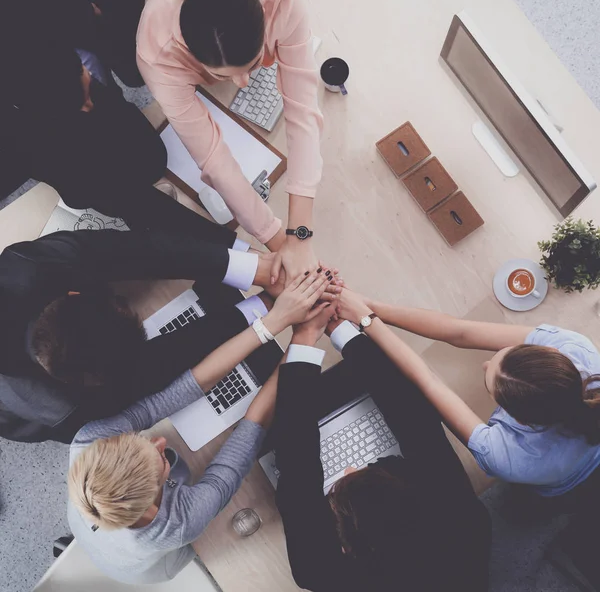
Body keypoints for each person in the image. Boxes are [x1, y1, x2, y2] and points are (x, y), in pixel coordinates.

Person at [67, 272, 333, 584]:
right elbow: (240, 448)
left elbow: (174, 394)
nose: (160, 441)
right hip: (149, 568)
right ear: (155, 503)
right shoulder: (177, 525)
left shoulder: (88, 441)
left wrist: (273, 321)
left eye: (141, 442)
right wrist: (302, 342)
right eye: (162, 460)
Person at [0, 228, 341, 443]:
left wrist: (257, 270)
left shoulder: (25, 263)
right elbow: (156, 367)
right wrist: (264, 307)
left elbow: (140, 248)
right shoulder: (68, 409)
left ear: (74, 295)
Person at [272, 303, 491, 591]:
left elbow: (295, 468)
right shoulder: (466, 524)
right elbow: (416, 420)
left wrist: (305, 336)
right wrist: (340, 330)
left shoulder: (318, 571)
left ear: (345, 547)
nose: (351, 467)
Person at [335, 291, 600, 507]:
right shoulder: (574, 349)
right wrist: (368, 307)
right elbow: (459, 332)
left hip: (567, 487)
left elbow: (426, 379)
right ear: (549, 351)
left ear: (518, 419)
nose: (486, 364)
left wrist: (366, 321)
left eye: (490, 385)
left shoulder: (509, 457)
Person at [0, 0, 224, 238]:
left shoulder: (72, 59)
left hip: (60, 38)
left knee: (151, 160)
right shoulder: (27, 137)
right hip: (40, 104)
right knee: (97, 186)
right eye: (82, 103)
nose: (88, 106)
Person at [137, 0, 324, 279]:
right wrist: (276, 239)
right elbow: (213, 158)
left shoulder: (283, 0)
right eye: (223, 76)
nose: (243, 83)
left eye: (253, 64)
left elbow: (303, 115)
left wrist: (299, 237)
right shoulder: (156, 52)